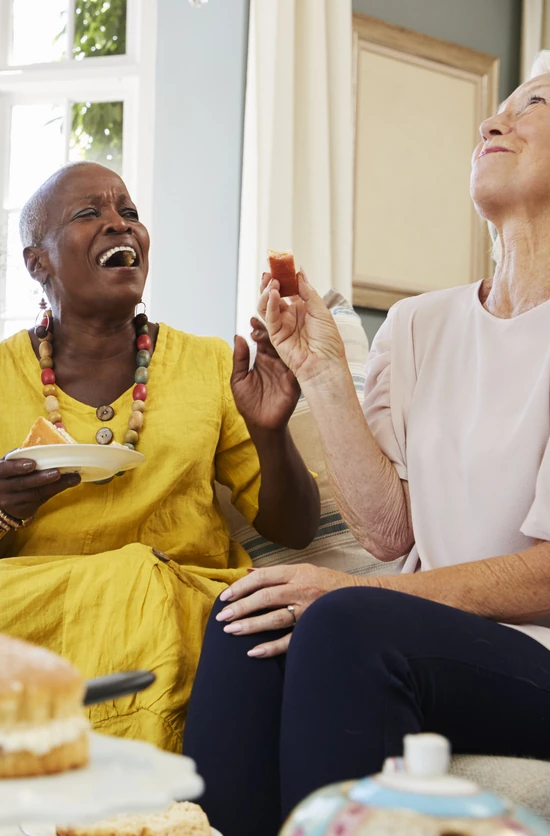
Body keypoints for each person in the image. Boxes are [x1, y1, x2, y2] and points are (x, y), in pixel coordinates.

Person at [182, 65, 550, 836]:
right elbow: (389, 533)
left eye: (535, 105)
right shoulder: (420, 323)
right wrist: (319, 370)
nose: (495, 123)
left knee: (347, 622)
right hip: (437, 636)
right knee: (249, 615)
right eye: (496, 110)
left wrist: (366, 598)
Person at [0, 161, 320, 750]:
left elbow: (296, 528)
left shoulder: (209, 363)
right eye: (91, 214)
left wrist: (270, 430)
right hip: (36, 606)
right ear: (39, 262)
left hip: (172, 598)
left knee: (141, 583)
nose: (120, 225)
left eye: (129, 213)